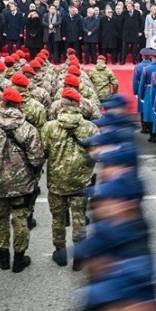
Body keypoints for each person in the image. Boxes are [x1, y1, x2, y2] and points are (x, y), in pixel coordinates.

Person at [0, 88, 45, 273]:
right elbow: (37, 159)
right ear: (19, 105)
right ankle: (19, 259)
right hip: (22, 185)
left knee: (0, 220)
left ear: (2, 104)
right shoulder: (28, 129)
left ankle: (3, 257)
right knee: (20, 220)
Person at [41, 88, 98, 267]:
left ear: (61, 104)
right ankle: (79, 257)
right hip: (81, 182)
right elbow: (98, 154)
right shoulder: (90, 128)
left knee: (58, 219)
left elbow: (43, 152)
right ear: (78, 105)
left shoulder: (49, 127)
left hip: (56, 182)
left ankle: (60, 254)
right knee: (79, 218)